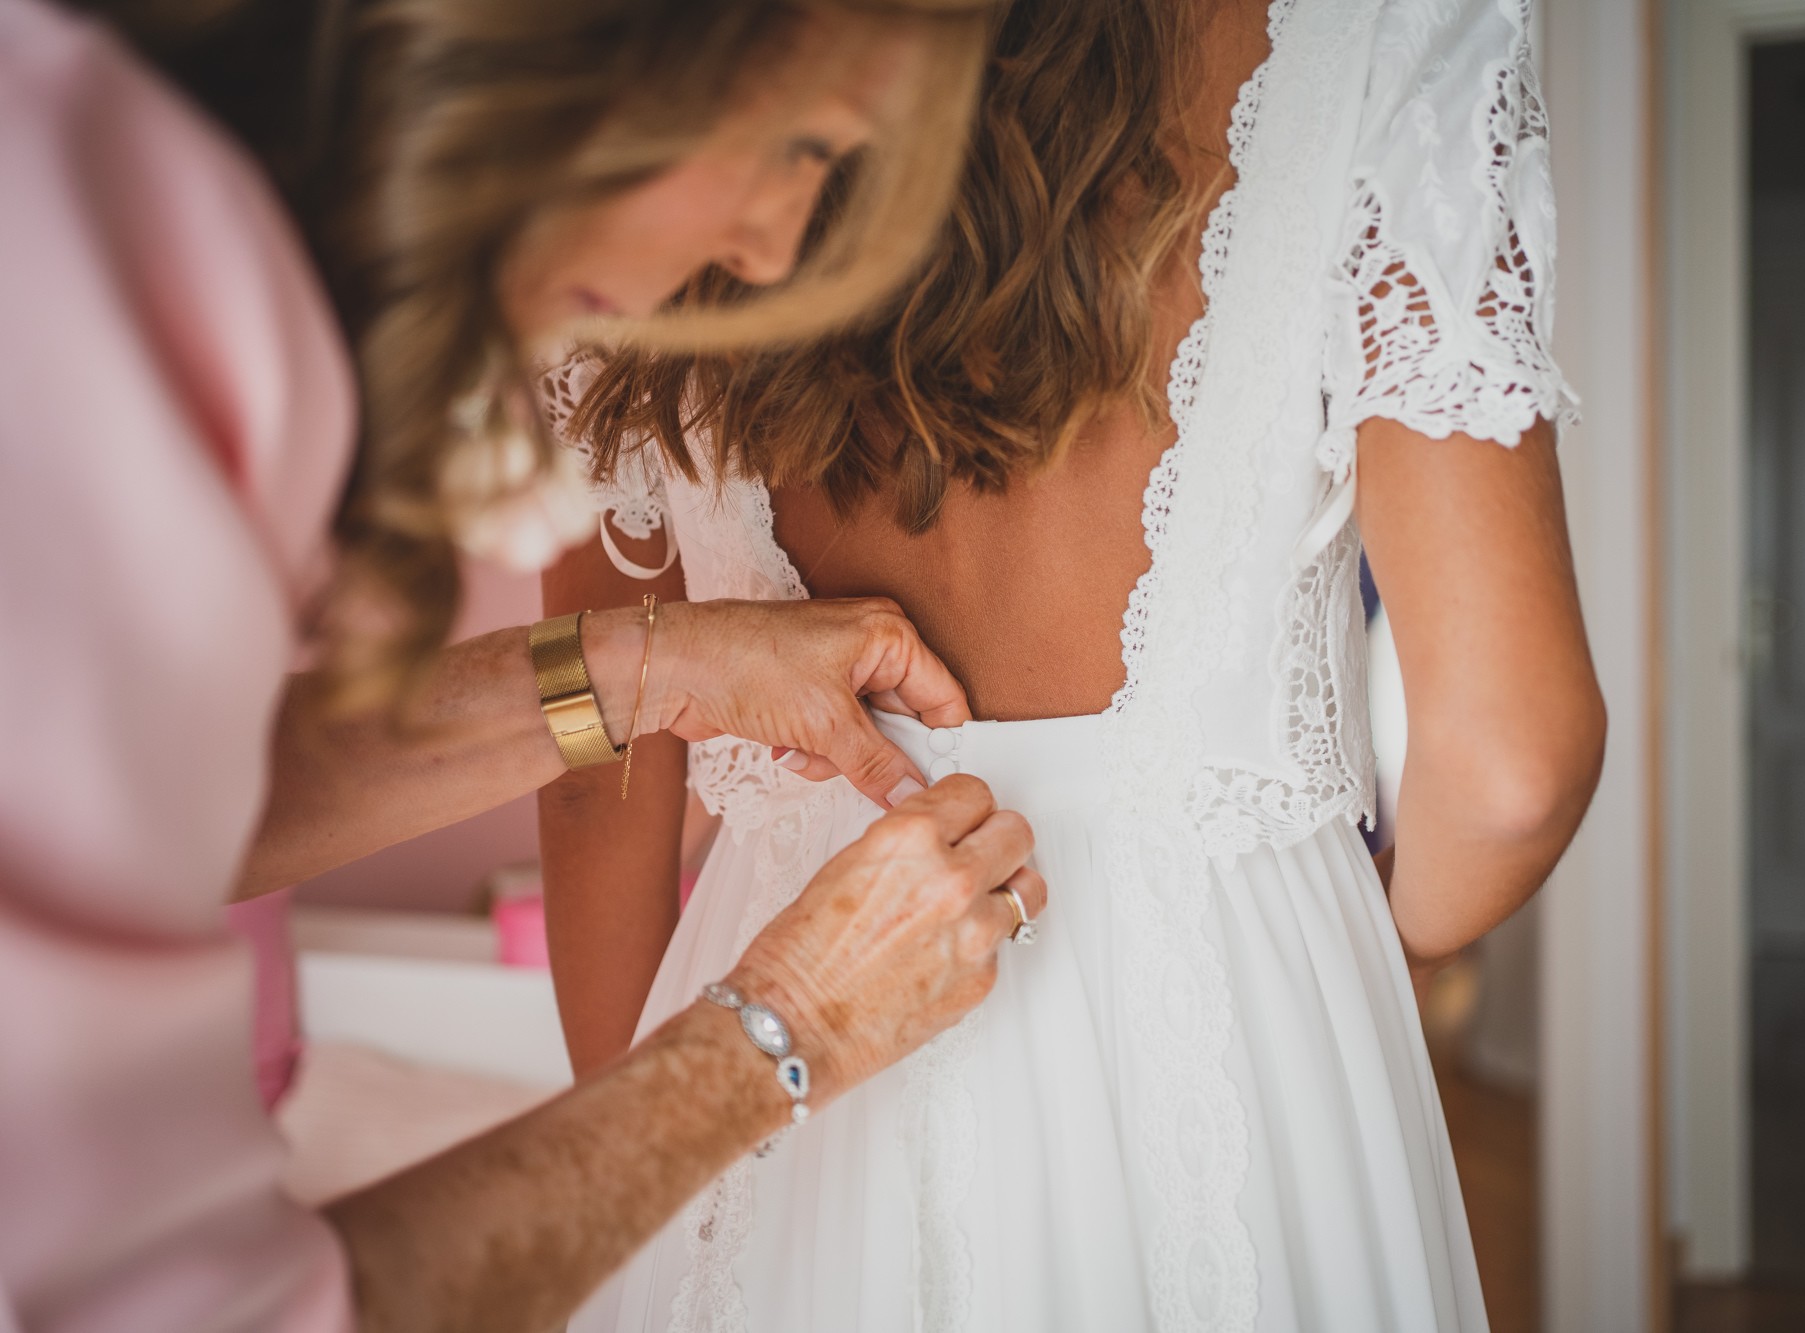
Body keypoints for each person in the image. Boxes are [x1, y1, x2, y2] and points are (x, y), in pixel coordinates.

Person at [544, 0, 1607, 1328]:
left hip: (787, 1050)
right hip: (1236, 1027)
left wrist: (651, 1146)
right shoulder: (1381, 27)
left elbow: (594, 759)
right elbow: (1516, 763)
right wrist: (1362, 945)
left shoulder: (662, 64)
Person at [0, 2, 1051, 1330]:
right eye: (798, 145)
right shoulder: (90, 327)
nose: (773, 245)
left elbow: (160, 791)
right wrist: (783, 1030)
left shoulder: (95, 177)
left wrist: (651, 666)